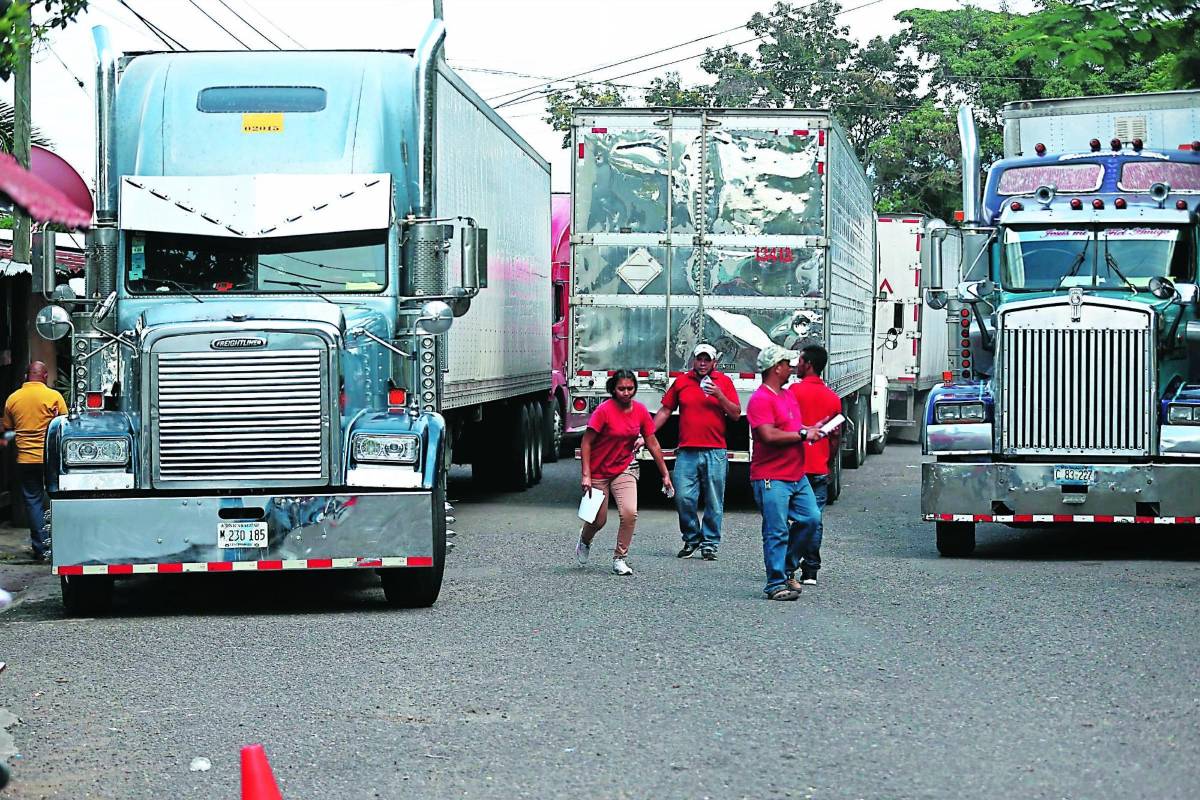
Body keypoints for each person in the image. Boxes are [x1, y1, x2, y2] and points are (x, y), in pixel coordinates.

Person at [745, 345, 827, 601]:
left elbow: (791, 425)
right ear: (775, 367)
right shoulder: (760, 399)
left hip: (796, 474)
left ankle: (787, 566)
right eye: (786, 363)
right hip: (771, 476)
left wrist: (811, 428)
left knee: (811, 520)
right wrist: (803, 434)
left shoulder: (787, 395)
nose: (791, 367)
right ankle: (775, 583)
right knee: (776, 530)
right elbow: (768, 434)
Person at [577, 369, 673, 576]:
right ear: (613, 389)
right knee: (598, 520)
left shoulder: (640, 411)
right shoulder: (604, 411)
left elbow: (653, 443)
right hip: (599, 470)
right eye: (621, 389)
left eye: (630, 388)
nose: (626, 393)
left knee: (629, 512)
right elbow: (586, 442)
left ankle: (620, 558)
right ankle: (585, 539)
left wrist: (664, 474)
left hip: (625, 467)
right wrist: (586, 474)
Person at [653, 343, 740, 561]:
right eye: (699, 359)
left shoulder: (723, 382)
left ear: (714, 362)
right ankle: (692, 537)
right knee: (683, 497)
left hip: (715, 450)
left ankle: (710, 543)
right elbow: (666, 409)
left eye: (707, 360)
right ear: (693, 360)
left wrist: (719, 395)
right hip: (687, 450)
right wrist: (646, 434)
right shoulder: (682, 381)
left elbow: (736, 414)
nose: (702, 363)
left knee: (714, 500)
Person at [1, 362, 68, 562]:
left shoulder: (13, 399)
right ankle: (63, 545)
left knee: (33, 501)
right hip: (51, 458)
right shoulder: (54, 397)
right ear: (45, 376)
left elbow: (7, 426)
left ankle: (41, 549)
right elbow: (64, 424)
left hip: (26, 458)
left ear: (26, 376)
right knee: (58, 498)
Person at [788, 344, 843, 586]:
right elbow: (835, 438)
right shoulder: (832, 399)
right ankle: (811, 570)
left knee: (788, 519)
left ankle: (787, 566)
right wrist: (828, 462)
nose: (796, 365)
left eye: (799, 361)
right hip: (818, 467)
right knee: (814, 519)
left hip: (793, 467)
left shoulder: (792, 392)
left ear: (808, 364)